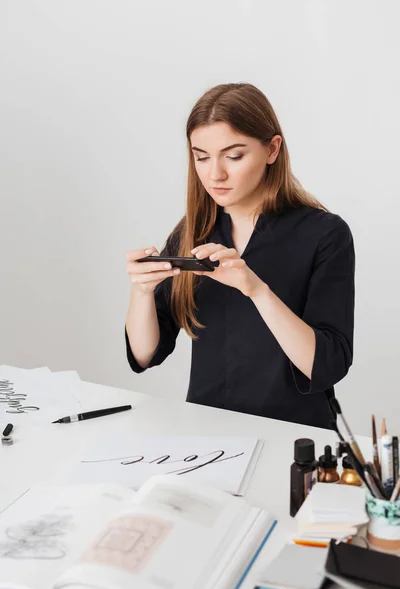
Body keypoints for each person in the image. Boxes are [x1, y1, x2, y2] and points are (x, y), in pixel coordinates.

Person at [125, 82, 355, 429]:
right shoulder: (193, 230)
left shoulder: (325, 234)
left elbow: (327, 365)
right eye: (201, 156)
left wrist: (257, 290)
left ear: (272, 149)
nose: (215, 173)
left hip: (292, 439)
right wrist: (141, 291)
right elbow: (144, 355)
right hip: (206, 436)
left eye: (233, 156)